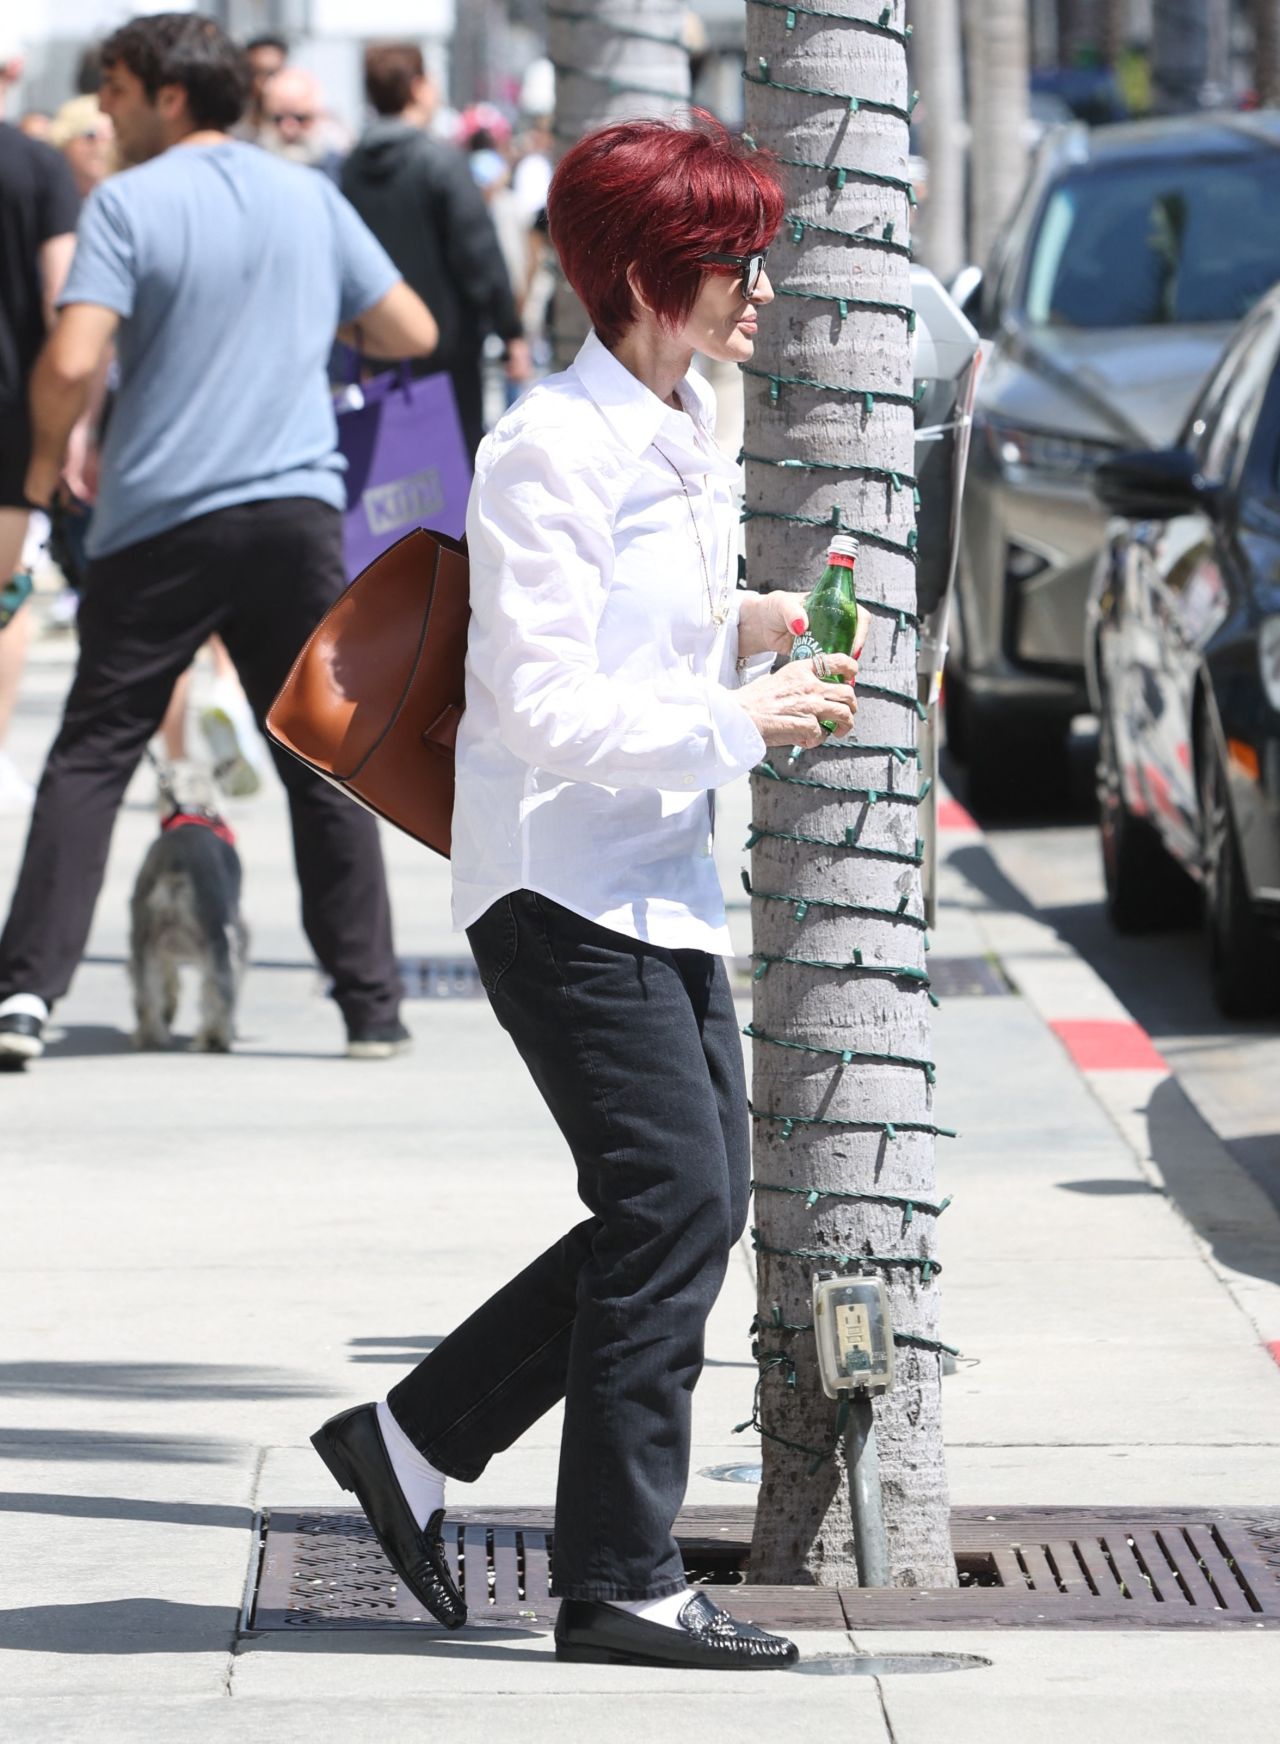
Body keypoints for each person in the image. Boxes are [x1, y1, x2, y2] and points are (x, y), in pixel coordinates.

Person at [311, 114, 868, 1671]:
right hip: (558, 884)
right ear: (644, 273)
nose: (758, 288)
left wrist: (753, 626)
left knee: (677, 1212)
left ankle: (412, 1440)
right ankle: (616, 1579)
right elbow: (534, 699)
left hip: (654, 875)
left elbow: (650, 628)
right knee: (672, 1206)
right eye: (731, 261)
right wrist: (731, 720)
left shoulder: (683, 423)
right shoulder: (549, 447)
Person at [0, 12, 439, 1067]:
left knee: (95, 750)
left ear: (166, 94)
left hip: (159, 521)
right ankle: (370, 1005)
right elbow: (409, 332)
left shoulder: (128, 206)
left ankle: (24, 995)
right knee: (322, 752)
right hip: (293, 514)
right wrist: (303, 322)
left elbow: (68, 362)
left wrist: (38, 466)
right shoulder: (306, 193)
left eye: (113, 88)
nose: (102, 109)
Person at [341, 43, 531, 460]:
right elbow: (478, 255)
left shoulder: (349, 169)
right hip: (450, 353)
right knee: (453, 470)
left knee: (394, 471)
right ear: (416, 86)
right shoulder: (440, 162)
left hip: (379, 346)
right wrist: (511, 332)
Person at [0, 39, 80, 815]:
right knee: (4, 596)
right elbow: (64, 306)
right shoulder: (38, 167)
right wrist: (68, 436)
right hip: (12, 420)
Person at [260, 65, 344, 183]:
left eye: (300, 118)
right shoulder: (252, 174)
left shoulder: (342, 172)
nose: (288, 128)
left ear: (319, 116)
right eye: (278, 119)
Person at [48, 95, 116, 198]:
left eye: (111, 135)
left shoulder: (124, 198)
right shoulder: (46, 197)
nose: (101, 145)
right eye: (91, 135)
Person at [236, 32, 286, 143]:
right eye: (255, 73)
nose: (262, 82)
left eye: (271, 73)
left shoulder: (304, 123)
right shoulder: (234, 124)